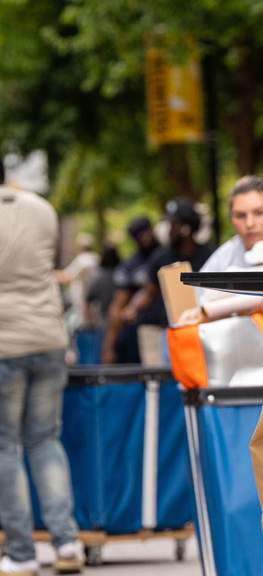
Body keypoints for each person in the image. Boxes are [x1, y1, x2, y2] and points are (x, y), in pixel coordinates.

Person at [0, 163, 84, 575]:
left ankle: (21, 553)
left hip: (4, 343)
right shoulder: (42, 208)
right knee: (45, 440)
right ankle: (67, 544)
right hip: (49, 338)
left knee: (5, 446)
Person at [178, 176, 263, 327]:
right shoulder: (222, 259)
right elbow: (194, 309)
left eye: (259, 213)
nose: (250, 223)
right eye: (240, 216)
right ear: (230, 218)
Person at [122, 198, 214, 365]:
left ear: (186, 228)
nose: (169, 231)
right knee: (172, 381)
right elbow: (149, 291)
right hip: (172, 331)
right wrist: (133, 307)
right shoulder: (161, 256)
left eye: (173, 225)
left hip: (205, 329)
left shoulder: (210, 255)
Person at [101, 216, 160, 364]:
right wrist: (109, 347)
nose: (144, 237)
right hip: (145, 331)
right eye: (138, 234)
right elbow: (118, 307)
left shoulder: (168, 255)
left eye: (145, 231)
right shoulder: (129, 267)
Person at [55, 232, 99, 333]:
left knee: (78, 333)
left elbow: (66, 277)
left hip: (82, 305)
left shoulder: (82, 260)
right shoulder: (96, 258)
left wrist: (47, 273)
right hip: (93, 303)